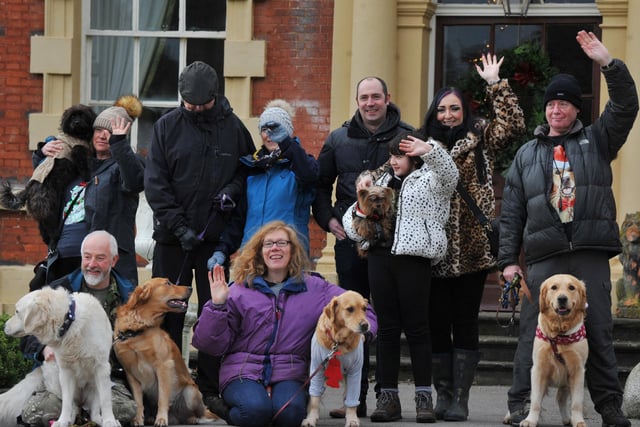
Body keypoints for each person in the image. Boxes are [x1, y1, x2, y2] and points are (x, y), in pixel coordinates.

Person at [499, 31, 638, 427]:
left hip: (589, 250)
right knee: (532, 332)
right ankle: (521, 404)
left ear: (577, 110)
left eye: (564, 104)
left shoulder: (598, 139)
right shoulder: (526, 154)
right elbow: (511, 213)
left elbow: (627, 106)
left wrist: (609, 65)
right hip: (544, 254)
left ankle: (608, 404)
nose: (556, 110)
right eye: (551, 104)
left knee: (598, 330)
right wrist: (509, 262)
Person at [417, 55, 525, 421]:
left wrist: (496, 84)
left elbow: (513, 125)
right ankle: (442, 395)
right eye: (443, 109)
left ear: (464, 110)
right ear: (434, 112)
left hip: (474, 251)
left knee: (464, 322)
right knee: (436, 324)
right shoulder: (419, 144)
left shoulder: (480, 137)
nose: (448, 115)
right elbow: (390, 172)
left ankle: (460, 399)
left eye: (455, 108)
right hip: (431, 250)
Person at [144, 61, 256, 411]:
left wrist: (231, 190)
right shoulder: (166, 127)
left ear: (214, 96)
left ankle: (208, 386)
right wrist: (179, 228)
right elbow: (156, 184)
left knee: (214, 312)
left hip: (213, 241)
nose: (192, 109)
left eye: (199, 104)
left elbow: (245, 171)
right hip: (173, 240)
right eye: (187, 104)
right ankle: (169, 385)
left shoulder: (234, 128)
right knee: (168, 314)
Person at [192, 221, 377, 427]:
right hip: (242, 369)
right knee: (254, 412)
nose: (275, 248)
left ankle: (276, 406)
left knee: (289, 416)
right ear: (259, 251)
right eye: (268, 244)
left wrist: (364, 332)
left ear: (293, 249)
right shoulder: (239, 289)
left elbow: (362, 307)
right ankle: (229, 409)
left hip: (290, 371)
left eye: (282, 243)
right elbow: (207, 343)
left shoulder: (316, 287)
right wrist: (217, 305)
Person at [312, 76, 413, 417]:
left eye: (376, 97)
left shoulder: (408, 136)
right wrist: (328, 220)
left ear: (388, 98)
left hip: (392, 245)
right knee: (351, 320)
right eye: (364, 98)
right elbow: (320, 184)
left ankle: (387, 395)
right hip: (350, 242)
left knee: (385, 320)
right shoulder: (339, 139)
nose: (370, 103)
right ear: (357, 101)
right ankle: (355, 399)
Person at [343, 131, 458, 422]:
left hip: (414, 261)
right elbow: (350, 225)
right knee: (387, 331)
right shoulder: (380, 184)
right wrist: (361, 201)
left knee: (418, 329)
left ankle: (423, 400)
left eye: (400, 155)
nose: (394, 161)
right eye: (392, 155)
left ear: (414, 156)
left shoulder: (431, 179)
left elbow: (450, 172)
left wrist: (429, 148)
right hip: (380, 260)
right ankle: (388, 399)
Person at [19, 230, 137, 426]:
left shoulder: (129, 296)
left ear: (114, 260)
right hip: (61, 378)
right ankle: (76, 414)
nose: (92, 264)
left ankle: (86, 415)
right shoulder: (59, 289)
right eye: (87, 257)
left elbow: (141, 342)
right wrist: (44, 348)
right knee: (35, 412)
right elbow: (28, 333)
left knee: (125, 410)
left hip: (106, 379)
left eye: (100, 258)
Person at [34, 95, 145, 285]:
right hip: (63, 258)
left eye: (110, 132)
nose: (103, 135)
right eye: (99, 130)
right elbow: (50, 183)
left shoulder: (123, 166)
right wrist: (41, 154)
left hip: (103, 263)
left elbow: (135, 182)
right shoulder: (80, 165)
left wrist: (119, 144)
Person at [229, 98, 318, 257]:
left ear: (287, 132)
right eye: (265, 129)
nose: (270, 136)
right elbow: (239, 217)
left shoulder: (301, 163)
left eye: (276, 129)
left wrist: (287, 144)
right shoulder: (252, 166)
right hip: (252, 255)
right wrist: (222, 249)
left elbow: (309, 176)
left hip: (289, 256)